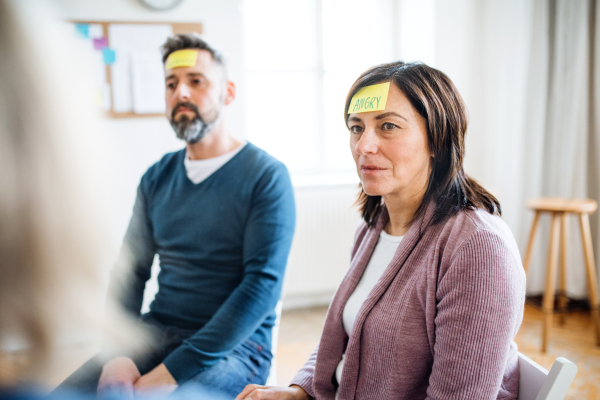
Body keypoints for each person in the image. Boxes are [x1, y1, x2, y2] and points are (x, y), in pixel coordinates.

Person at [237, 62, 526, 400]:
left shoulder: (478, 248)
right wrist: (298, 390)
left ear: (438, 138)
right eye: (356, 127)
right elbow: (349, 335)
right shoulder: (374, 226)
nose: (364, 146)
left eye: (388, 126)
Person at [57, 33, 296, 398]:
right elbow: (131, 271)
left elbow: (261, 287)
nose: (181, 93)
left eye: (195, 81)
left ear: (227, 93)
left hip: (238, 349)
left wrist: (170, 374)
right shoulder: (156, 177)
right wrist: (117, 351)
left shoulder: (266, 176)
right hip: (158, 331)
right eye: (171, 84)